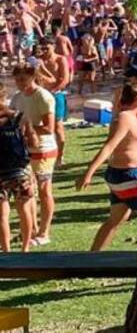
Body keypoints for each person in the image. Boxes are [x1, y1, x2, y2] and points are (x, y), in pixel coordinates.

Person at [76, 83, 137, 250]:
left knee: (116, 219)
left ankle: (91, 259)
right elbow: (109, 146)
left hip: (119, 176)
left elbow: (136, 129)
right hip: (133, 176)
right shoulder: (125, 118)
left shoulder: (127, 117)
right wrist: (89, 172)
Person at [10, 64, 56, 246]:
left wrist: (26, 127)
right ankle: (32, 230)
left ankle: (44, 232)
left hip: (44, 149)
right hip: (24, 150)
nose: (19, 83)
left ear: (32, 77)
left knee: (44, 190)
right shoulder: (17, 98)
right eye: (16, 79)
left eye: (22, 79)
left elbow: (49, 128)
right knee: (28, 191)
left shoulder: (43, 96)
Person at [0, 87, 37, 252]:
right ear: (5, 96)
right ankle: (25, 248)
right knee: (24, 210)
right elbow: (33, 142)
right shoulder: (19, 116)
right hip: (20, 170)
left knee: (2, 215)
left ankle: (6, 251)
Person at [34, 37, 70, 167]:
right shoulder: (38, 60)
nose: (44, 50)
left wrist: (54, 90)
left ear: (53, 46)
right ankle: (42, 153)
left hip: (56, 95)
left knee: (58, 127)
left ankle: (60, 156)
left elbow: (64, 79)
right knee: (39, 124)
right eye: (42, 47)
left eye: (46, 47)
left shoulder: (60, 59)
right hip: (40, 95)